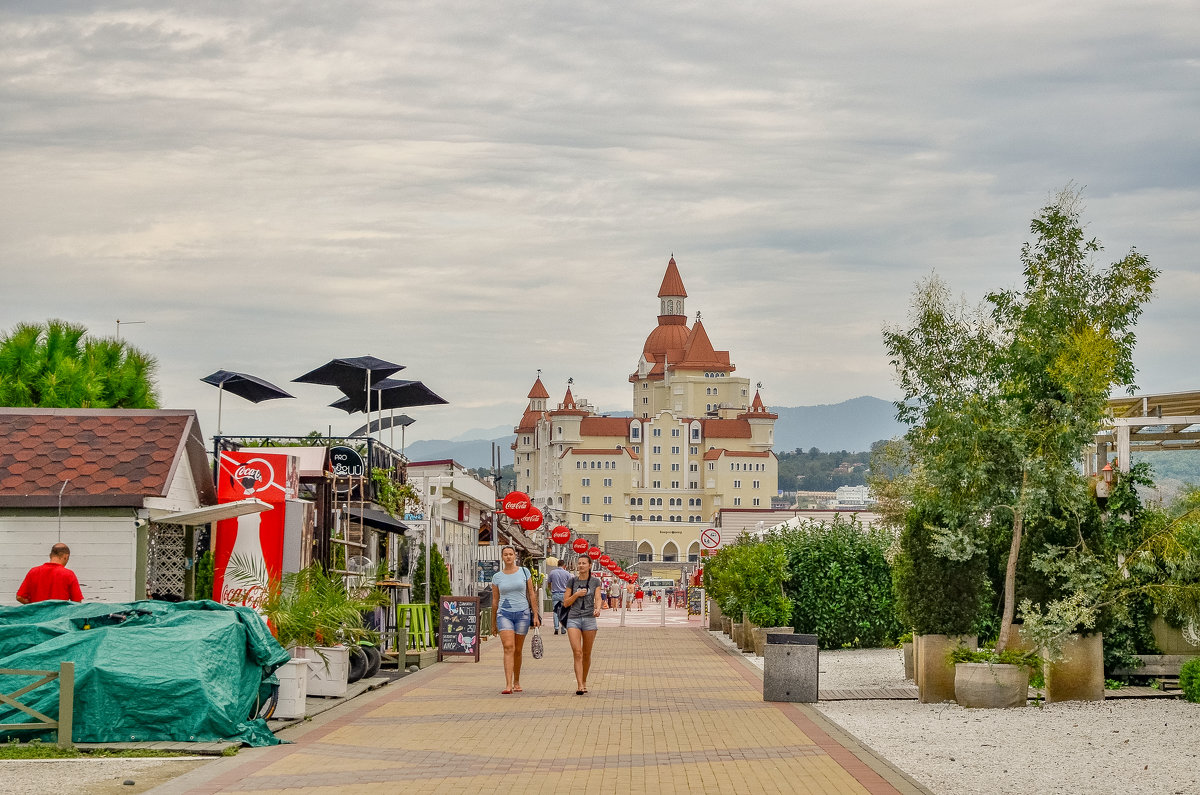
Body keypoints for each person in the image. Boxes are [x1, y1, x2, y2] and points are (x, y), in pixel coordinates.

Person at [490, 545, 540, 694]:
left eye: (511, 554)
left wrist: (535, 615)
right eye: (505, 554)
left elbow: (531, 594)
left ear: (515, 556)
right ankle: (508, 684)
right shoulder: (497, 577)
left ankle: (516, 681)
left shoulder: (524, 572)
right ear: (502, 557)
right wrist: (493, 623)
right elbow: (494, 600)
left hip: (522, 614)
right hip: (504, 614)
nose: (508, 557)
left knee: (517, 649)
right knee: (508, 647)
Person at [562, 554, 602, 694]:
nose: (581, 565)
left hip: (589, 619)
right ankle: (579, 684)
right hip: (573, 619)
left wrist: (598, 608)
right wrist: (576, 595)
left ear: (590, 565)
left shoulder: (595, 581)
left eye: (584, 563)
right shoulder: (572, 582)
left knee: (586, 653)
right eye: (579, 563)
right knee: (577, 652)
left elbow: (598, 597)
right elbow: (566, 602)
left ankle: (584, 680)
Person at [16, 543, 83, 604]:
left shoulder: (33, 572)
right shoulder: (69, 574)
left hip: (38, 615)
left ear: (50, 556)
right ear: (66, 556)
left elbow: (19, 597)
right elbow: (77, 602)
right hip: (60, 616)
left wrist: (34, 607)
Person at [547, 558, 572, 635]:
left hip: (555, 594)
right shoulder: (567, 573)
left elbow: (549, 583)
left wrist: (551, 589)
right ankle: (563, 628)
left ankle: (556, 628)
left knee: (555, 612)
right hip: (565, 594)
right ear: (564, 565)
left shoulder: (552, 573)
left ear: (557, 565)